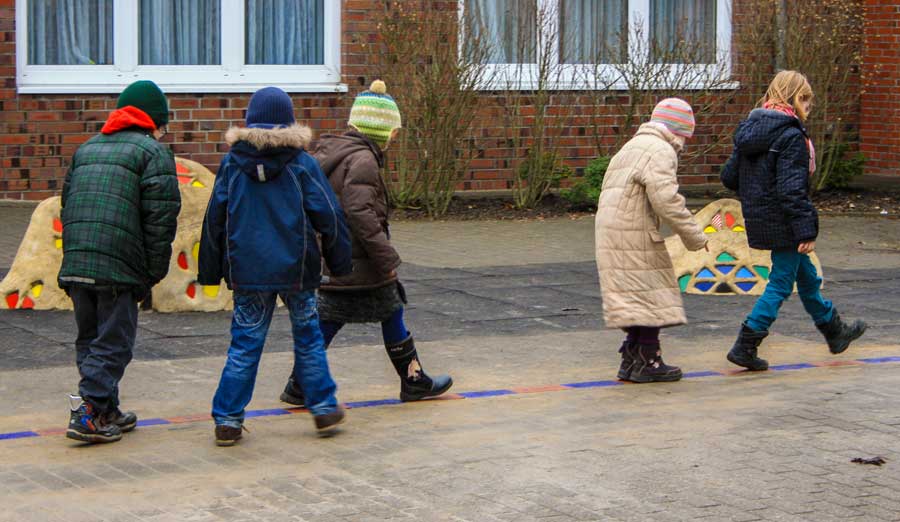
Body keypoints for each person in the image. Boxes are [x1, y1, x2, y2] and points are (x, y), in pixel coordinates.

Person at [279, 80, 452, 406]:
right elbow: (360, 214)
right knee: (385, 312)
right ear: (380, 130)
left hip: (338, 257)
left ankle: (299, 384)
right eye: (393, 130)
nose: (396, 136)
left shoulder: (334, 153)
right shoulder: (364, 161)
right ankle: (413, 381)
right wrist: (386, 256)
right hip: (362, 260)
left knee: (339, 317)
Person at [198, 87, 353, 446]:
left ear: (250, 121)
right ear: (289, 120)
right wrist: (340, 262)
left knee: (245, 343)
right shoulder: (301, 164)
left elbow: (214, 220)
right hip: (297, 270)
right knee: (308, 338)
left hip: (248, 271)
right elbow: (329, 215)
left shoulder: (231, 165)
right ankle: (324, 407)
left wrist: (209, 271)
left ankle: (228, 419)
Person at [60, 80, 181, 443]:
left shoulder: (86, 149)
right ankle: (87, 413)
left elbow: (66, 204)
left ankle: (106, 409)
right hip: (118, 267)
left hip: (77, 260)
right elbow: (160, 221)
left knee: (91, 337)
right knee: (115, 342)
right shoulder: (152, 153)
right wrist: (152, 274)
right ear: (154, 122)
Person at [721, 70, 866, 370]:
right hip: (785, 220)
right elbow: (791, 188)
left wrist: (756, 188)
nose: (809, 107)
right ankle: (746, 344)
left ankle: (835, 332)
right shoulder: (790, 135)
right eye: (807, 100)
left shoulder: (750, 130)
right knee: (780, 284)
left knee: (808, 279)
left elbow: (729, 176)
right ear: (796, 98)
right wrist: (805, 230)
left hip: (762, 216)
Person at [595, 98, 708, 383]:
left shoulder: (631, 146)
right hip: (634, 231)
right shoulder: (660, 150)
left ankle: (631, 357)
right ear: (678, 130)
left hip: (612, 230)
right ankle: (649, 361)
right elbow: (666, 200)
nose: (683, 144)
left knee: (636, 296)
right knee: (652, 296)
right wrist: (694, 235)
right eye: (685, 137)